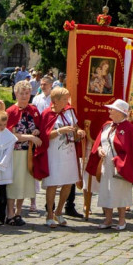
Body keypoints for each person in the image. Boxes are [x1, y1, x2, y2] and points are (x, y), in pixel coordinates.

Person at [86, 99, 133, 230]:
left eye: (112, 109)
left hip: (120, 166)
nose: (109, 111)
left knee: (120, 192)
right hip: (106, 164)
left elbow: (132, 151)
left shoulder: (129, 128)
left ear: (120, 112)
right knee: (106, 191)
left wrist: (120, 161)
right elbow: (100, 141)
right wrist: (99, 149)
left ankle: (122, 220)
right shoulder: (107, 126)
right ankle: (108, 219)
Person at [33, 87, 85, 228]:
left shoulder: (69, 111)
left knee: (68, 183)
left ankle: (59, 211)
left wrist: (79, 131)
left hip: (68, 153)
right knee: (53, 183)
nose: (67, 101)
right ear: (55, 101)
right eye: (64, 99)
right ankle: (49, 213)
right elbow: (44, 136)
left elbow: (76, 126)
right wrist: (59, 131)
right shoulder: (47, 114)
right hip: (54, 154)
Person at [5, 80, 41, 226]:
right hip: (15, 152)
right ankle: (10, 213)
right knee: (14, 183)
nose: (25, 96)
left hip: (29, 153)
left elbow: (38, 127)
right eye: (22, 93)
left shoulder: (33, 110)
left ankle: (19, 212)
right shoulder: (11, 112)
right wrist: (30, 137)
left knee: (24, 184)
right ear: (16, 94)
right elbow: (10, 135)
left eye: (27, 93)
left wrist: (36, 131)